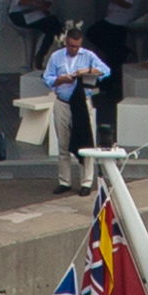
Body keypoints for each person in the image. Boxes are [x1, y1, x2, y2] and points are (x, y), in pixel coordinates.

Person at [42, 28, 110, 196]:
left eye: (77, 46)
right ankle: (64, 181)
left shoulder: (88, 55)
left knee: (86, 141)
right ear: (66, 43)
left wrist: (87, 71)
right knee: (63, 143)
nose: (74, 49)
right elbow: (47, 78)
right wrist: (60, 79)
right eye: (71, 46)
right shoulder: (56, 56)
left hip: (82, 103)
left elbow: (106, 71)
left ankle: (86, 182)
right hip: (63, 101)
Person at [86, 0, 145, 99]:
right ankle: (112, 77)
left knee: (94, 34)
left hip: (120, 19)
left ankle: (111, 81)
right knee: (112, 53)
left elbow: (127, 2)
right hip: (114, 17)